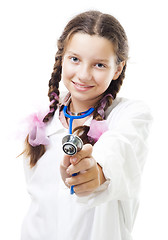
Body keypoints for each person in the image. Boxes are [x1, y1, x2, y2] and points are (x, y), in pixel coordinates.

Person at [21, 10, 152, 240]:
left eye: (99, 65)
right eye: (74, 59)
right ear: (62, 58)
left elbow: (120, 150)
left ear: (118, 69)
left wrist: (97, 172)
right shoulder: (42, 121)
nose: (83, 74)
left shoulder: (130, 115)